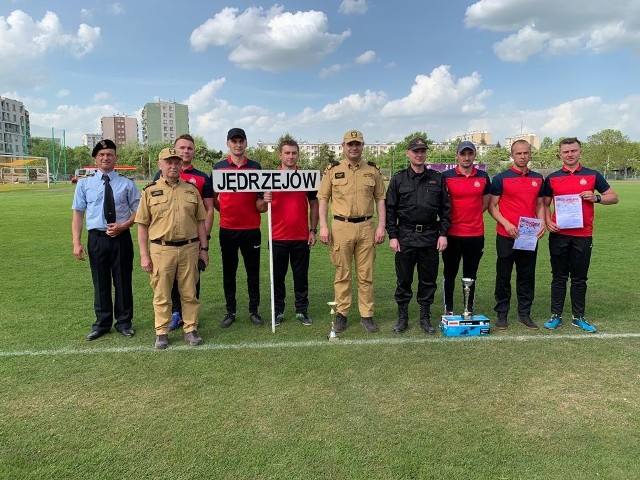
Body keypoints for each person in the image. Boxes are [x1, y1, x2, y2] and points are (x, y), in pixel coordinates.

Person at [542, 137, 619, 333]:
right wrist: (547, 221)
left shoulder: (592, 175)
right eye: (566, 151)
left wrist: (597, 197)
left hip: (583, 235)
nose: (570, 154)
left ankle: (578, 317)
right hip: (559, 234)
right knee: (558, 277)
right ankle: (556, 315)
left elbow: (614, 197)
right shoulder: (552, 178)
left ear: (580, 152)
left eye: (573, 151)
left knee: (579, 278)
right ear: (560, 154)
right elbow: (544, 204)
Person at [136, 148, 209, 349]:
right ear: (160, 164)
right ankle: (162, 331)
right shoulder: (150, 192)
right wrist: (144, 255)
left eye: (177, 162)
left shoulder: (191, 190)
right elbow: (142, 226)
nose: (173, 166)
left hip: (189, 248)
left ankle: (191, 329)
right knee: (161, 293)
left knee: (189, 292)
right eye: (168, 162)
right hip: (161, 250)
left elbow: (201, 222)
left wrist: (204, 249)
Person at [318, 129, 386, 333]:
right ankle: (342, 313)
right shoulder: (332, 170)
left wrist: (381, 225)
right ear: (343, 146)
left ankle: (367, 315)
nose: (354, 147)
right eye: (350, 144)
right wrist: (323, 226)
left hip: (366, 227)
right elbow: (323, 199)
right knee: (342, 273)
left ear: (363, 146)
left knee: (366, 275)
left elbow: (380, 199)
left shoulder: (372, 171)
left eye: (357, 144)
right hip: (341, 227)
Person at [72, 139, 140, 341]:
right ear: (95, 158)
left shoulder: (127, 184)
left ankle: (124, 322)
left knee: (122, 280)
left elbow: (139, 212)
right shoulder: (85, 184)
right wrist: (76, 242)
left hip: (121, 238)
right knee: (100, 282)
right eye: (101, 155)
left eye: (109, 154)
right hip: (97, 238)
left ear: (115, 158)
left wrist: (124, 225)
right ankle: (102, 324)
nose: (105, 158)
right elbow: (78, 214)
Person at [386, 137, 451, 334]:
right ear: (408, 153)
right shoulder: (398, 179)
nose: (419, 154)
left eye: (422, 150)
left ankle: (425, 317)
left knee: (428, 279)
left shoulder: (436, 178)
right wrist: (393, 236)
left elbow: (445, 210)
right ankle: (402, 317)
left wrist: (443, 234)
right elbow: (390, 210)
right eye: (415, 151)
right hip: (405, 235)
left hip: (430, 235)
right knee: (404, 279)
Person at [152, 134, 214, 331]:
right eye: (182, 148)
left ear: (193, 151)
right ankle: (175, 313)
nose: (186, 151)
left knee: (191, 282)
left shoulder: (202, 178)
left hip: (192, 240)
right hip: (167, 244)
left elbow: (208, 211)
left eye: (189, 148)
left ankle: (190, 319)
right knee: (168, 282)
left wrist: (204, 240)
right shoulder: (158, 177)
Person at [213, 128, 268, 328]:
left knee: (252, 272)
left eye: (241, 141)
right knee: (229, 272)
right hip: (228, 229)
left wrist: (266, 202)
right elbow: (213, 199)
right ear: (228, 143)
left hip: (251, 229)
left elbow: (261, 204)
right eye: (234, 141)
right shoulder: (219, 168)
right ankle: (231, 311)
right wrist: (225, 211)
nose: (238, 145)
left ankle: (254, 311)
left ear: (246, 143)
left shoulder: (255, 167)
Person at [488, 139, 545, 330]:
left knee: (526, 276)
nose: (522, 156)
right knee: (503, 276)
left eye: (525, 153)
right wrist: (506, 223)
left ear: (530, 154)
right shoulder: (500, 178)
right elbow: (492, 206)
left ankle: (524, 314)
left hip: (529, 236)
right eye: (518, 153)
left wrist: (542, 222)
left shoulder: (538, 178)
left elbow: (539, 205)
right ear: (512, 155)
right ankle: (502, 314)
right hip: (506, 234)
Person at [262, 139, 319, 326]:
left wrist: (312, 230)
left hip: (301, 236)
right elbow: (260, 207)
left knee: (301, 277)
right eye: (287, 153)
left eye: (294, 153)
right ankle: (278, 311)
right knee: (277, 278)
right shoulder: (271, 178)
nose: (291, 156)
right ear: (280, 155)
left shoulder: (306, 177)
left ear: (298, 155)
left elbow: (314, 203)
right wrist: (265, 199)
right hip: (277, 236)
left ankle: (301, 311)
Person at [442, 141, 491, 316]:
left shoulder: (484, 177)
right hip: (452, 234)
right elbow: (442, 203)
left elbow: (485, 203)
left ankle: (468, 308)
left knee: (470, 274)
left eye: (470, 154)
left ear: (475, 155)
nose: (467, 157)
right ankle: (448, 308)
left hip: (475, 234)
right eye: (463, 154)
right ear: (457, 155)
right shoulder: (446, 176)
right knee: (450, 273)